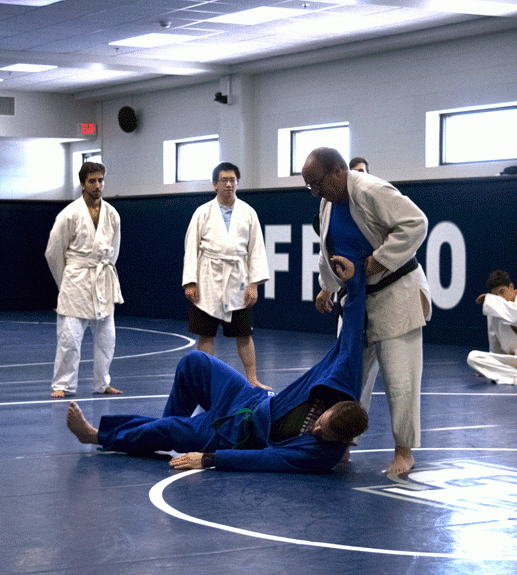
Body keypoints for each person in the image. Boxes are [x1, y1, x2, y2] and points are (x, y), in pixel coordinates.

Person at [66, 255, 368, 473]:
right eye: (321, 421)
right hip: (251, 399)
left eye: (322, 432)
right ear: (335, 407)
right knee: (195, 362)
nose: (315, 428)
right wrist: (354, 283)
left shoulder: (320, 455)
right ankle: (160, 436)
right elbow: (353, 333)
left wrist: (210, 458)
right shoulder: (342, 378)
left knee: (172, 427)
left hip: (238, 434)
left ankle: (98, 435)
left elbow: (265, 460)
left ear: (343, 441)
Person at [302, 147, 431, 475]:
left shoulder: (372, 191)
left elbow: (416, 223)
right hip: (357, 299)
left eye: (317, 183)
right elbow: (328, 249)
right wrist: (327, 286)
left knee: (400, 380)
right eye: (310, 186)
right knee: (349, 375)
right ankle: (343, 439)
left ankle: (404, 450)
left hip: (395, 294)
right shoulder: (327, 199)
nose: (315, 191)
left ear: (338, 171)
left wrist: (379, 259)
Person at [182, 162, 269, 388]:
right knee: (205, 334)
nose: (229, 184)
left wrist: (254, 284)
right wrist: (190, 282)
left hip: (238, 277)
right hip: (208, 277)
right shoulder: (202, 212)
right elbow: (190, 248)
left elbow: (256, 250)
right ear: (215, 184)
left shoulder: (249, 212)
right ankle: (206, 382)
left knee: (244, 334)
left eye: (233, 180)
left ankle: (252, 379)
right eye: (224, 180)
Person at [45, 162, 123, 398]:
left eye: (100, 180)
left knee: (107, 338)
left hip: (102, 277)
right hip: (75, 278)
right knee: (70, 338)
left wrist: (105, 270)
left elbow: (114, 251)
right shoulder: (68, 214)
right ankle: (63, 384)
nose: (97, 185)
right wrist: (65, 282)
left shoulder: (112, 214)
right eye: (92, 181)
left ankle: (102, 383)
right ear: (82, 184)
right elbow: (53, 252)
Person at [468, 270, 517, 386]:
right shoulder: (494, 308)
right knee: (473, 357)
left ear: (511, 286)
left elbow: (515, 316)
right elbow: (495, 346)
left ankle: (504, 374)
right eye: (495, 295)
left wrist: (492, 370)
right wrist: (490, 365)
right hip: (513, 361)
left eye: (502, 292)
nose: (499, 298)